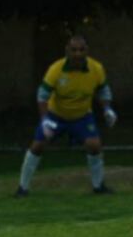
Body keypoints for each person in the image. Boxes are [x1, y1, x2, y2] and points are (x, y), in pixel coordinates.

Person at [15, 34, 117, 196]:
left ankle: (99, 187)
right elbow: (42, 96)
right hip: (56, 116)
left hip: (82, 116)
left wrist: (107, 109)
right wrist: (45, 120)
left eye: (81, 50)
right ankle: (22, 188)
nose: (78, 54)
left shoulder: (96, 68)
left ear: (87, 50)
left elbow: (103, 90)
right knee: (37, 146)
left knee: (94, 145)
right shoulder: (55, 69)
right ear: (67, 50)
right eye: (74, 50)